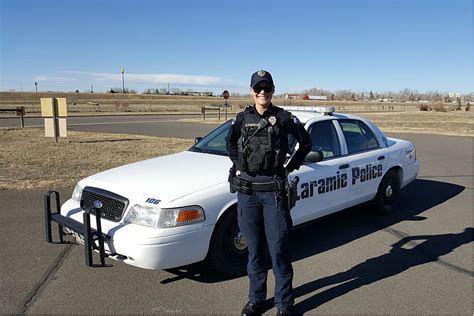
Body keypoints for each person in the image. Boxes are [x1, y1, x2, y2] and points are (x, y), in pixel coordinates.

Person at [226, 70, 312, 315]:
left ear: (273, 90)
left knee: (278, 249)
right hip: (248, 194)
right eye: (258, 88)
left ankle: (284, 304)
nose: (262, 92)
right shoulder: (241, 119)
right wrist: (239, 165)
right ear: (251, 90)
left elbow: (305, 144)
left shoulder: (284, 118)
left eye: (267, 88)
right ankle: (256, 300)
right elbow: (229, 143)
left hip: (273, 193)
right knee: (254, 249)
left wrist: (288, 168)